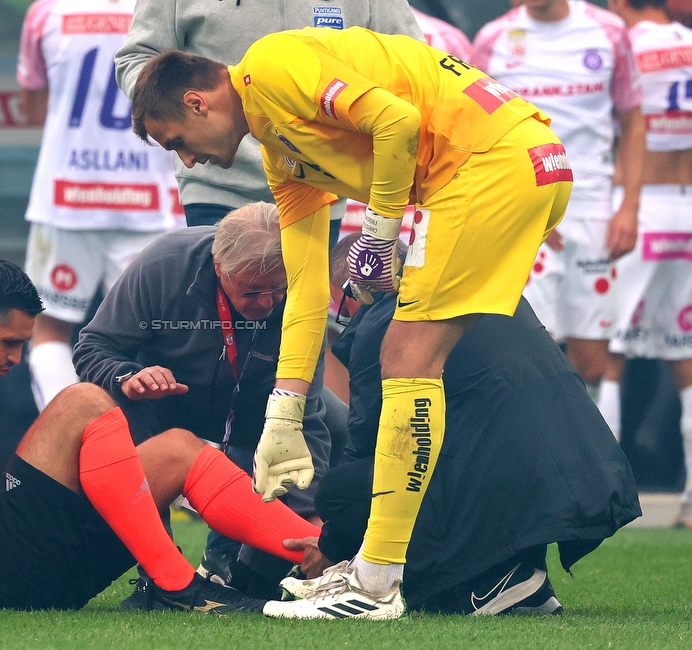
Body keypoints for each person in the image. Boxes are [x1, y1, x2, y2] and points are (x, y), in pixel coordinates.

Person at [131, 26, 572, 618]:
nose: (186, 159)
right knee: (433, 355)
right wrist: (284, 410)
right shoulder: (280, 150)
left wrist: (380, 232)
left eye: (175, 141)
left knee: (406, 355)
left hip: (491, 167)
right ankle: (393, 571)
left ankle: (375, 584)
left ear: (197, 101)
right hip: (526, 163)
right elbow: (307, 290)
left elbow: (397, 123)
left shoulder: (269, 65)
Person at [0, 259, 321, 614]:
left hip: (13, 569)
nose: (16, 359)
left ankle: (322, 560)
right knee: (85, 399)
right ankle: (176, 583)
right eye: (10, 343)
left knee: (178, 449)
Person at [262, 235, 641, 618]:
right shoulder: (486, 283)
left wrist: (332, 544)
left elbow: (374, 445)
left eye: (339, 302)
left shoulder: (383, 324)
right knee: (470, 447)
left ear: (356, 283)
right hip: (585, 468)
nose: (341, 314)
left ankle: (479, 581)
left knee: (343, 491)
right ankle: (517, 572)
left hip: (504, 475)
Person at [74, 202, 331, 593]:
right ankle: (159, 578)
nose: (267, 303)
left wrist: (309, 522)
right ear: (218, 268)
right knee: (111, 408)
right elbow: (92, 346)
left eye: (278, 290)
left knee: (342, 427)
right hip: (162, 405)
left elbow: (307, 421)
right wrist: (128, 377)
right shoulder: (163, 264)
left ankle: (259, 573)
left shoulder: (304, 287)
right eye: (252, 291)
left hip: (262, 410)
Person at [114, 0, 423, 242]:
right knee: (228, 319)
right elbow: (136, 57)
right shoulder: (208, 132)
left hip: (319, 183)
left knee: (301, 305)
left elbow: (411, 59)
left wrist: (382, 225)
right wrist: (177, 110)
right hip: (218, 187)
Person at [473, 0, 644, 399]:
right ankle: (537, 457)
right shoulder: (492, 39)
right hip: (522, 215)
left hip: (592, 211)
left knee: (593, 363)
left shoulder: (609, 32)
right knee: (527, 350)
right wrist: (517, 202)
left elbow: (634, 123)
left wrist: (630, 207)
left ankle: (599, 457)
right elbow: (476, 131)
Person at [17, 0, 178, 413]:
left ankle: (71, 442)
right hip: (149, 202)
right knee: (160, 335)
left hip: (67, 197)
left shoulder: (47, 11)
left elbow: (33, 108)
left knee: (50, 328)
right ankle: (162, 460)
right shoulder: (167, 8)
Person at [603, 0, 692, 528]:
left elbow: (619, 125)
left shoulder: (624, 43)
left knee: (606, 356)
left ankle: (601, 500)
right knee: (686, 363)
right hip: (687, 205)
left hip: (638, 205)